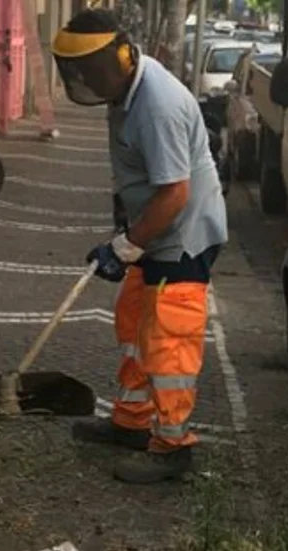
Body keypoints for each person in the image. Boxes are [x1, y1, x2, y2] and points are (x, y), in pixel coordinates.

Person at [50, 9, 228, 485]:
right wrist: (123, 238)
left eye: (90, 69)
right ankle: (131, 422)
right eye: (77, 71)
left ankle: (173, 445)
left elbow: (175, 194)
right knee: (134, 320)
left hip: (182, 240)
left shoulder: (157, 104)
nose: (84, 79)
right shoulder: (123, 94)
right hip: (155, 233)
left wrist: (127, 245)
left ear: (122, 56)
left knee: (168, 336)